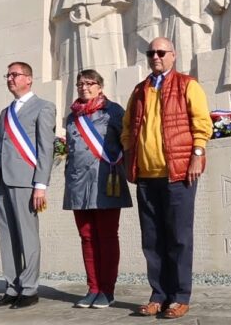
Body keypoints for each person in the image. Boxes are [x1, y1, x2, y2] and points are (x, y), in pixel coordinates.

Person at [121, 37, 213, 319]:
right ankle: (158, 295)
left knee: (179, 237)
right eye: (151, 53)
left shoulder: (187, 84)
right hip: (147, 177)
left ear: (173, 55)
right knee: (152, 239)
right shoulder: (140, 90)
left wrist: (197, 154)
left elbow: (202, 122)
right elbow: (127, 128)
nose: (155, 57)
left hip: (178, 174)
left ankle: (180, 296)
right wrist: (128, 154)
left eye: (161, 52)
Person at [0, 61, 56, 309]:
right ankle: (12, 287)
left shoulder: (44, 107)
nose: (10, 79)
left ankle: (29, 289)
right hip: (1, 182)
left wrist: (41, 185)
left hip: (26, 182)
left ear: (29, 78)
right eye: (8, 75)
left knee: (28, 237)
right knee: (7, 238)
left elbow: (46, 149)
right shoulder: (5, 112)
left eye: (15, 75)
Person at [63, 69, 132, 309]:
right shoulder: (71, 117)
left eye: (89, 83)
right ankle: (92, 287)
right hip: (77, 184)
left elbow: (127, 141)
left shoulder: (113, 111)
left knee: (107, 237)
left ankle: (107, 290)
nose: (84, 87)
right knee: (86, 237)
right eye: (80, 84)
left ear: (100, 87)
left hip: (106, 182)